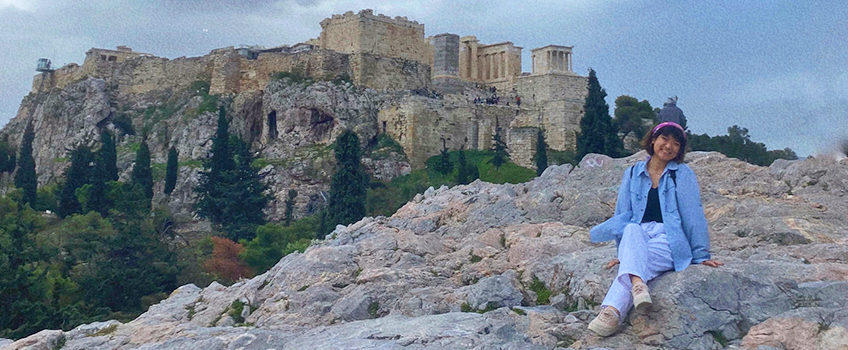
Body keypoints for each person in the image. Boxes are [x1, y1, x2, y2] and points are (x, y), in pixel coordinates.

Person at [587, 121, 723, 337]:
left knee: (638, 262)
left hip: (669, 237)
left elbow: (693, 215)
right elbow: (622, 215)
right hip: (638, 234)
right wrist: (622, 253)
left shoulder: (683, 174)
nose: (669, 146)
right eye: (664, 139)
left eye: (676, 143)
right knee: (631, 228)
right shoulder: (632, 173)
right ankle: (638, 284)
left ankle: (611, 311)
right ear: (653, 140)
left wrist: (700, 254)